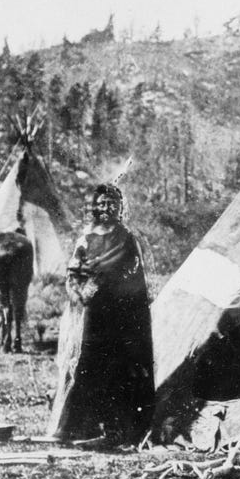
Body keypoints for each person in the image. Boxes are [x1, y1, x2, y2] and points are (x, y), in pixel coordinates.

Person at [46, 183, 154, 445]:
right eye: (102, 203)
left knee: (117, 369)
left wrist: (113, 288)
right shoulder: (85, 239)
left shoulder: (128, 239)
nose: (106, 208)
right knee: (88, 365)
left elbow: (136, 277)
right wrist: (78, 295)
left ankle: (116, 432)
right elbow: (73, 274)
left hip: (121, 315)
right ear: (95, 207)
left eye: (112, 204)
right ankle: (81, 429)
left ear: (120, 208)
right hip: (93, 314)